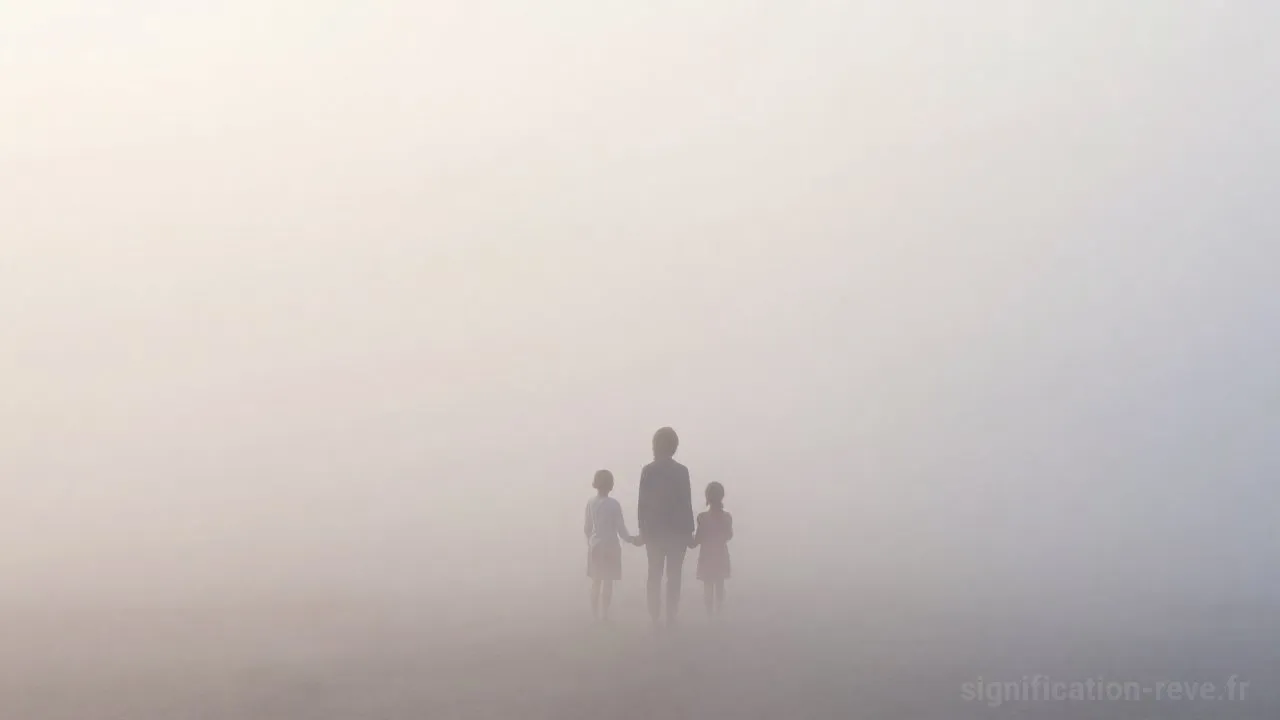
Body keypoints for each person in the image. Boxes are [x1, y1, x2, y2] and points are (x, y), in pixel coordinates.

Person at [637, 427, 694, 629]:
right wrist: (690, 531)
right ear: (675, 447)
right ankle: (671, 615)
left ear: (655, 445)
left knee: (654, 574)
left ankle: (654, 616)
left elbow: (642, 503)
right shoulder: (681, 471)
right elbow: (686, 503)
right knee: (674, 575)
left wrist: (642, 530)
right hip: (677, 532)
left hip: (653, 531)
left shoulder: (648, 471)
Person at [584, 469, 640, 620]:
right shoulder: (614, 504)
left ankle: (594, 615)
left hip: (595, 546)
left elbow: (587, 528)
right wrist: (632, 539)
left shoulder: (590, 503)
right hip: (611, 547)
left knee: (596, 581)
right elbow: (621, 529)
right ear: (611, 485)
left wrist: (591, 543)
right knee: (608, 582)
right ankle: (604, 615)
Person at [690, 481, 733, 618]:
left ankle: (709, 615)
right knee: (719, 583)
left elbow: (697, 540)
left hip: (706, 556)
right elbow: (729, 535)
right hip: (721, 554)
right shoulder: (727, 517)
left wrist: (687, 539)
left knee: (708, 585)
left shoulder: (702, 518)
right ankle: (719, 612)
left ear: (707, 497)